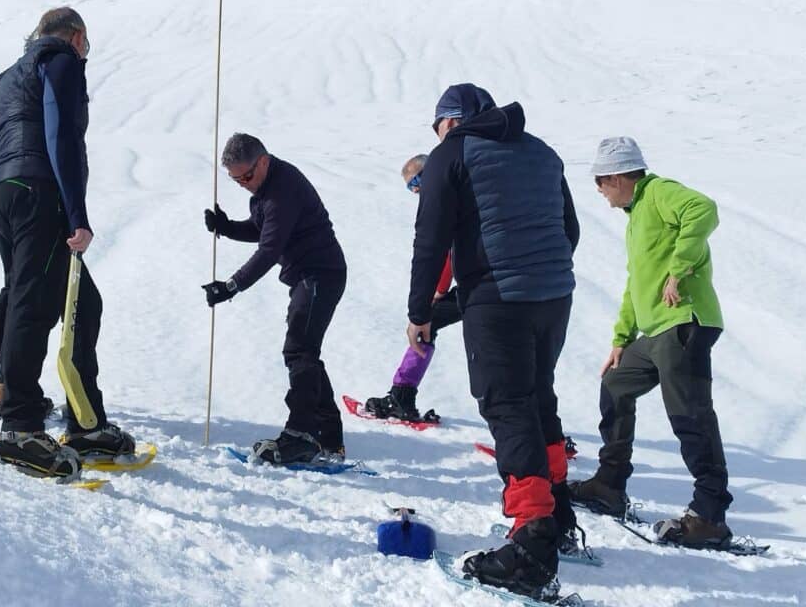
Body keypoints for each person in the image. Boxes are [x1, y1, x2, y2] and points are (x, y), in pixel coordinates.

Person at [407, 83, 580, 599]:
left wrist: (420, 311)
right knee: (537, 397)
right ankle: (558, 514)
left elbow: (431, 235)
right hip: (554, 295)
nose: (437, 135)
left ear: (452, 121)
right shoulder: (542, 151)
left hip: (499, 297)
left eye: (437, 125)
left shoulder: (451, 153)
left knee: (507, 405)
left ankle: (531, 545)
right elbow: (568, 228)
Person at [0, 6, 136, 478]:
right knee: (34, 302)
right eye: (86, 43)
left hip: (4, 191)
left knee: (83, 303)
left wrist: (5, 191)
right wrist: (76, 213)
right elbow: (60, 133)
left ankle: (86, 424)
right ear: (76, 35)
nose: (85, 51)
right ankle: (20, 427)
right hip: (39, 189)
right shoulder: (61, 61)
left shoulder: (7, 76)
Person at [569, 137, 733, 549]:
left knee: (690, 416)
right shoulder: (636, 215)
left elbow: (703, 209)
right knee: (615, 384)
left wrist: (679, 270)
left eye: (602, 182)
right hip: (655, 331)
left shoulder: (658, 192)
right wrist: (622, 338)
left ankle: (709, 517)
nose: (600, 191)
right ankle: (609, 484)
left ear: (621, 175)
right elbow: (635, 284)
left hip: (684, 322)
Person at [203, 133, 347, 465]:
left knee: (299, 350)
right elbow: (262, 229)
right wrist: (225, 226)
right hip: (309, 276)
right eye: (235, 179)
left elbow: (269, 249)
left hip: (319, 274)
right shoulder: (268, 187)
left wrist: (231, 286)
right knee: (304, 350)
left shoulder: (283, 190)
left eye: (246, 176)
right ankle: (327, 435)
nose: (242, 184)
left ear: (263, 161)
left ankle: (301, 434)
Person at [364, 154, 456, 423]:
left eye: (415, 181)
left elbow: (447, 251)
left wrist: (438, 291)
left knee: (427, 324)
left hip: (483, 285)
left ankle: (401, 397)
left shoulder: (444, 200)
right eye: (409, 187)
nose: (414, 190)